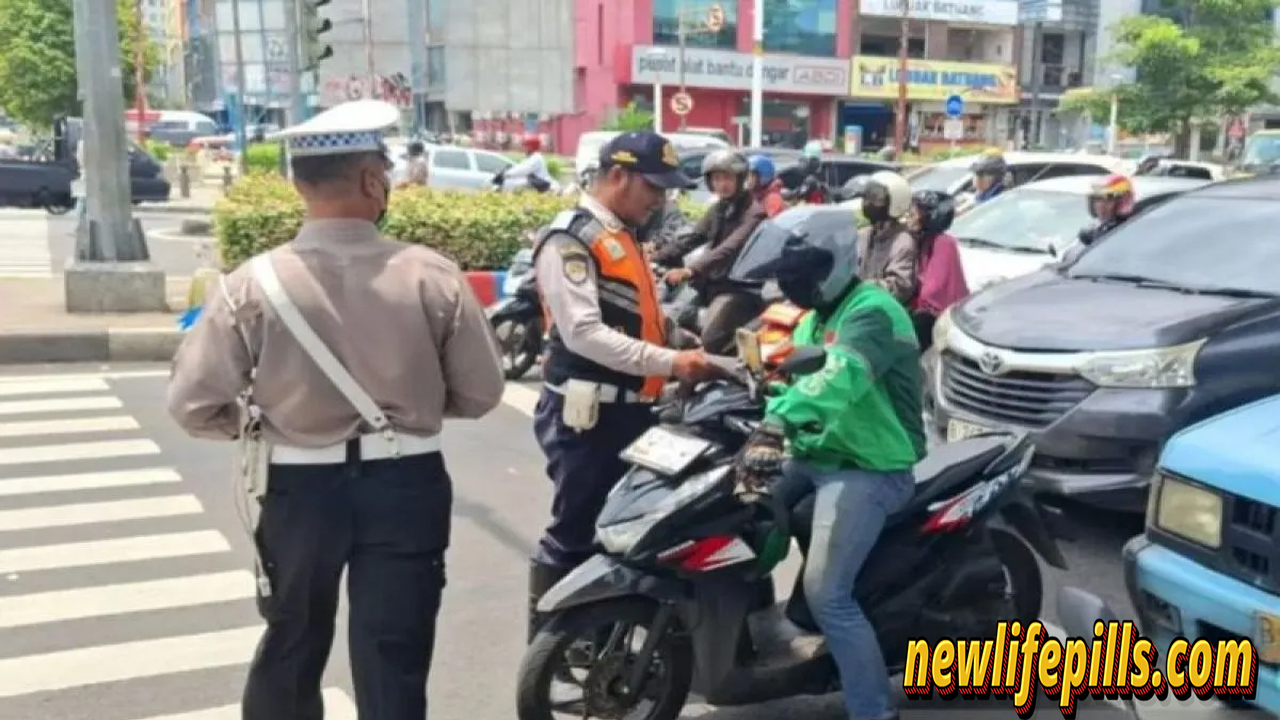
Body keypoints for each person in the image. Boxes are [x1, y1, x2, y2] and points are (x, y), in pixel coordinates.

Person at [166, 99, 506, 720]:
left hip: (298, 484)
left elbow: (192, 403)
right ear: (374, 180)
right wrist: (413, 405)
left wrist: (267, 422)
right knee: (393, 652)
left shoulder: (254, 282)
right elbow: (481, 393)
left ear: (298, 182)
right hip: (406, 481)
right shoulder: (432, 276)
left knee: (291, 643)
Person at [528, 131, 729, 639]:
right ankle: (552, 647)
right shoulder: (572, 237)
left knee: (622, 531)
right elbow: (584, 333)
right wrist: (671, 362)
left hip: (632, 410)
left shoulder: (624, 233)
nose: (661, 199)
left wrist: (691, 345)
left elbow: (641, 317)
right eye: (653, 187)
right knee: (575, 534)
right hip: (589, 414)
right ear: (617, 176)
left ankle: (600, 645)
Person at [729, 207, 926, 720]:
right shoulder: (819, 316)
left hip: (873, 465)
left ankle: (872, 710)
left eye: (800, 277)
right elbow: (801, 378)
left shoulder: (872, 312)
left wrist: (779, 421)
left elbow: (839, 379)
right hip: (820, 455)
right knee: (742, 514)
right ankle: (760, 630)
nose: (793, 286)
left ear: (832, 266)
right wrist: (761, 393)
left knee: (828, 594)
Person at [653, 149, 767, 354]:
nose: (721, 184)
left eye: (727, 178)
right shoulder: (719, 208)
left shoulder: (754, 213)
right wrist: (651, 257)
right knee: (667, 324)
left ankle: (721, 374)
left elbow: (729, 248)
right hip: (708, 284)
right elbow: (692, 238)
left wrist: (690, 270)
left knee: (710, 338)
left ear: (739, 179)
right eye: (716, 178)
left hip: (736, 289)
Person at [906, 190, 969, 349]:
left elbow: (933, 290)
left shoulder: (943, 243)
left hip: (937, 316)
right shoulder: (920, 239)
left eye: (913, 214)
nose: (909, 218)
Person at [854, 170, 918, 306]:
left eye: (875, 200)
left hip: (881, 311)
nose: (867, 204)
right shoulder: (864, 235)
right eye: (866, 198)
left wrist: (863, 288)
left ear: (894, 203)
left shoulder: (903, 242)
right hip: (857, 304)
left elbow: (899, 287)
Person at [1065, 174, 1135, 264]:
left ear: (1123, 201)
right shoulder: (1097, 228)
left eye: (1108, 199)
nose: (1100, 205)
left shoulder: (1128, 231)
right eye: (1096, 199)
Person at [747, 154, 786, 218]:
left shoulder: (773, 199)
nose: (748, 180)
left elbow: (770, 224)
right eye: (747, 175)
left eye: (751, 176)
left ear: (763, 176)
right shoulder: (756, 195)